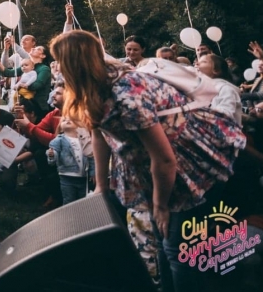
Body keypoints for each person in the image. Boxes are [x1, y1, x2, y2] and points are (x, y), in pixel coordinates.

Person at [51, 30, 245, 291]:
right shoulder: (97, 84)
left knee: (177, 249)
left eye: (60, 60)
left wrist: (160, 205)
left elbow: (164, 160)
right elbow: (99, 133)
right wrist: (101, 185)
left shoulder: (126, 94)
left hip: (184, 165)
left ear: (75, 62)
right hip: (152, 169)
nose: (58, 67)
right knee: (162, 242)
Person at [47, 116, 94, 205]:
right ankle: (70, 217)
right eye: (64, 120)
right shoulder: (59, 140)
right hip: (66, 176)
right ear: (60, 126)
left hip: (83, 177)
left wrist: (93, 172)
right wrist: (52, 155)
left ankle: (82, 217)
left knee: (83, 201)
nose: (67, 120)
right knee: (69, 200)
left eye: (71, 119)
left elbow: (91, 156)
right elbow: (54, 155)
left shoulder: (84, 139)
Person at [195, 53, 242, 124]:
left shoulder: (226, 89)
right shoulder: (199, 88)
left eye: (204, 62)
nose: (197, 63)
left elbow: (227, 114)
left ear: (216, 70)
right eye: (198, 61)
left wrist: (200, 111)